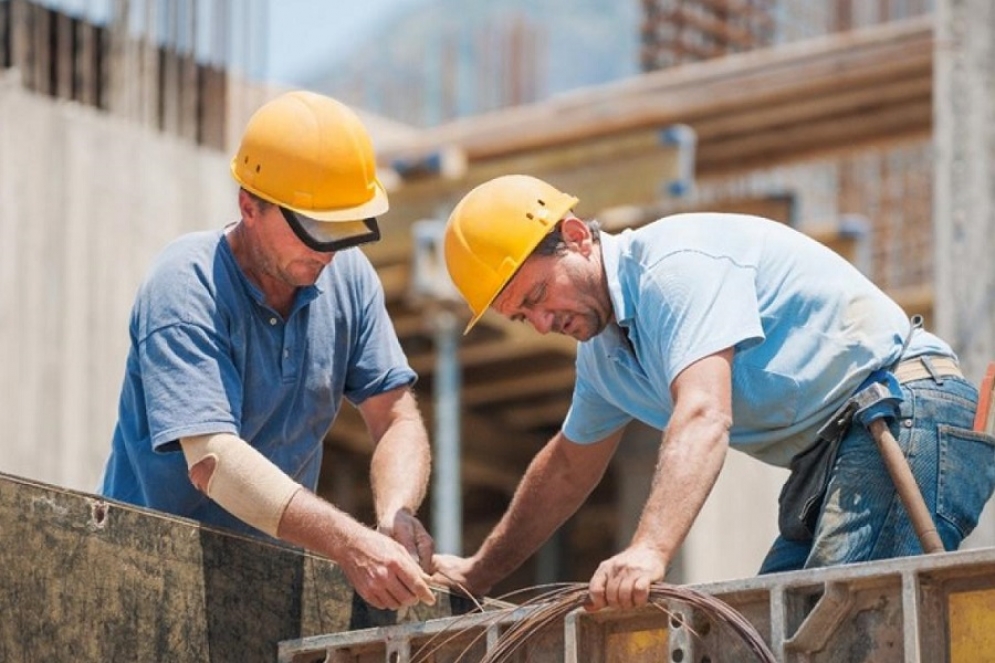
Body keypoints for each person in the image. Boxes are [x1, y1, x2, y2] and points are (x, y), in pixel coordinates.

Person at [433, 173, 995, 611]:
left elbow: (703, 414)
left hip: (907, 414)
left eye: (537, 295)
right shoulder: (605, 357)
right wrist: (478, 573)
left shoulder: (673, 269)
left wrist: (649, 550)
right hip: (840, 455)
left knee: (838, 628)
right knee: (768, 635)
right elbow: (566, 470)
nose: (540, 322)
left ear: (576, 238)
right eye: (521, 315)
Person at [99, 91, 436, 611]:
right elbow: (213, 461)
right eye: (313, 228)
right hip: (146, 577)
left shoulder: (348, 277)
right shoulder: (187, 283)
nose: (328, 249)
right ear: (248, 206)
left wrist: (397, 515)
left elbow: (395, 418)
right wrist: (348, 543)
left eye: (342, 228)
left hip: (269, 585)